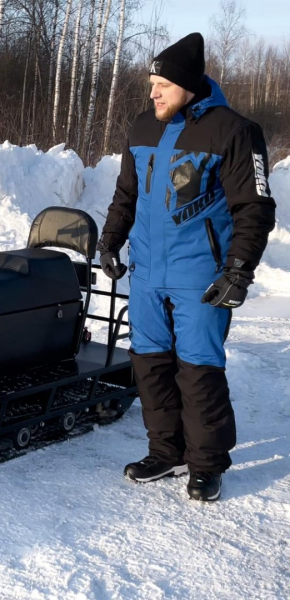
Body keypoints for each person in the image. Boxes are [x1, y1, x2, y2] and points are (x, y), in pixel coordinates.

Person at [97, 32, 276, 502]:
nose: (152, 92)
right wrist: (111, 240)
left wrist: (238, 269)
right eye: (151, 83)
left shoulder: (234, 131)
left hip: (201, 275)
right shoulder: (142, 127)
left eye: (161, 84)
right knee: (150, 365)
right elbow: (126, 195)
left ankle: (206, 464)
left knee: (198, 370)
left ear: (189, 84)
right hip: (148, 273)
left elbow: (254, 208)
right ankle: (167, 452)